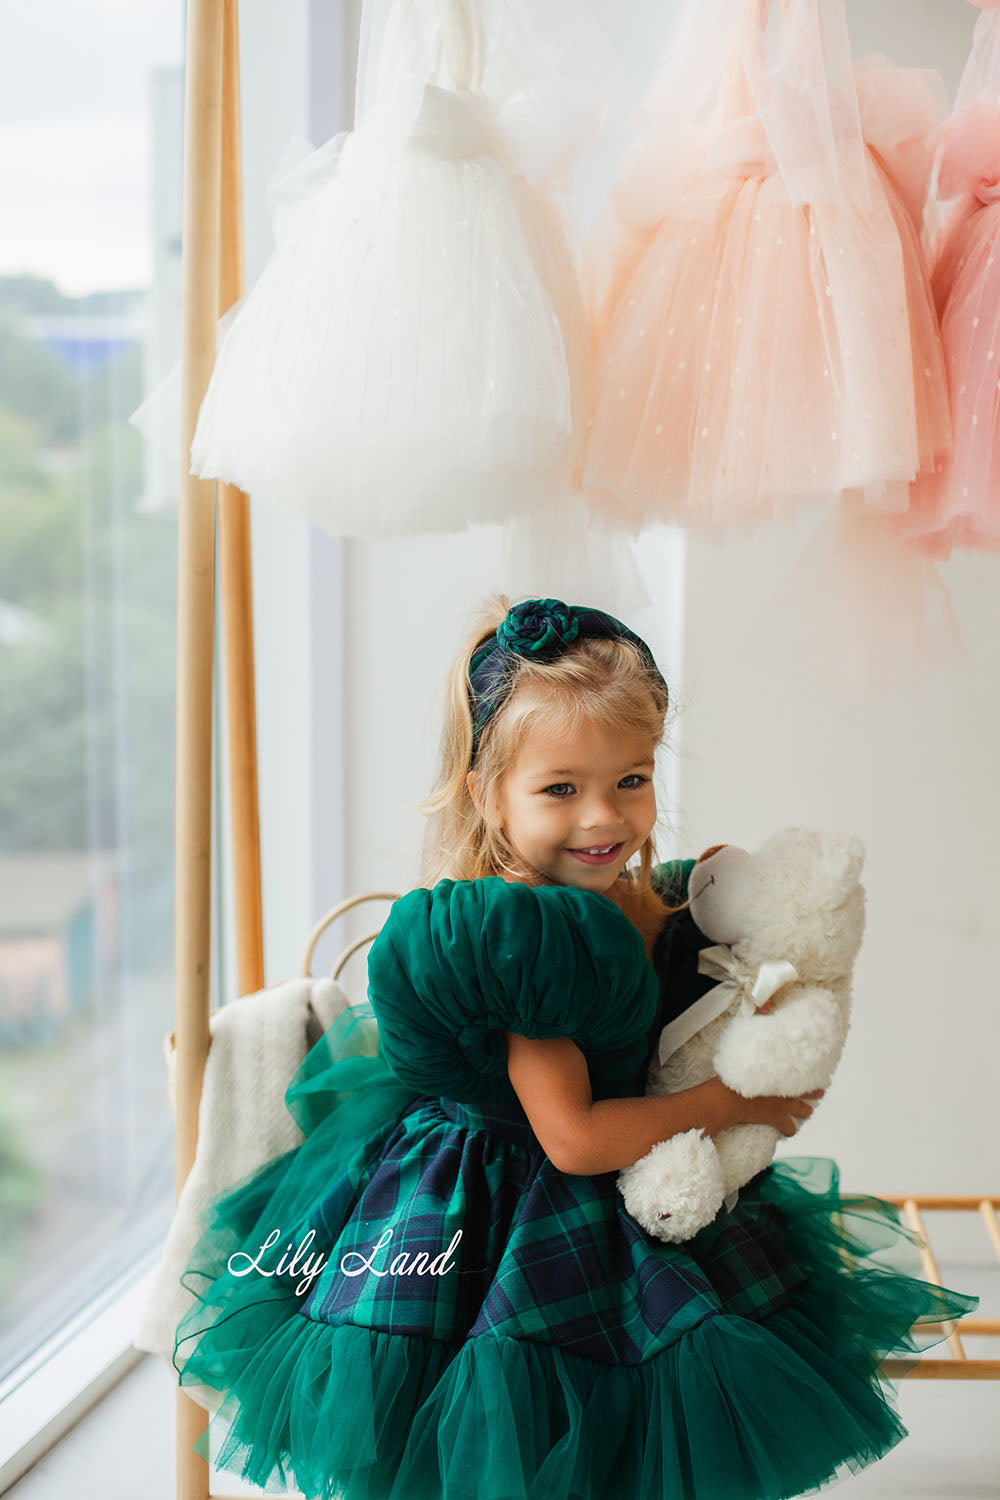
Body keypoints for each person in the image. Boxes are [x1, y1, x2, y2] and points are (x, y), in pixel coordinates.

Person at [170, 595, 978, 1500]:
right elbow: (575, 1139)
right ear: (488, 792)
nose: (604, 817)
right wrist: (729, 1107)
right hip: (504, 1204)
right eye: (561, 789)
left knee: (636, 1425)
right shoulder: (525, 942)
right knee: (521, 1416)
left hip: (636, 1175)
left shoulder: (649, 901)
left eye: (631, 780)